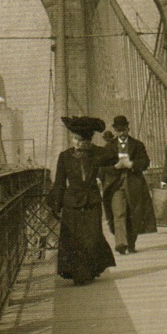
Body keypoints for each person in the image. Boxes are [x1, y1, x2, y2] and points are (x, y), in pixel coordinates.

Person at [48, 116, 119, 285]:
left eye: (81, 140)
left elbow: (114, 157)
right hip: (71, 203)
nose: (77, 143)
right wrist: (56, 203)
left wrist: (92, 148)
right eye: (75, 139)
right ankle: (79, 274)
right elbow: (59, 183)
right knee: (74, 240)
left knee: (92, 238)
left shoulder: (95, 154)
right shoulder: (64, 157)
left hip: (92, 202)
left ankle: (90, 270)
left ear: (87, 141)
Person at [104, 114, 157, 254]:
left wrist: (131, 164)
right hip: (116, 184)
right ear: (115, 131)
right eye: (118, 130)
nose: (121, 133)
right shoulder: (109, 147)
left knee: (134, 213)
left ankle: (131, 243)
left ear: (128, 128)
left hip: (134, 182)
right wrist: (115, 167)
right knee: (119, 212)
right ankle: (121, 243)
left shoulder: (137, 145)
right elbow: (103, 167)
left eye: (124, 130)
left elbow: (145, 162)